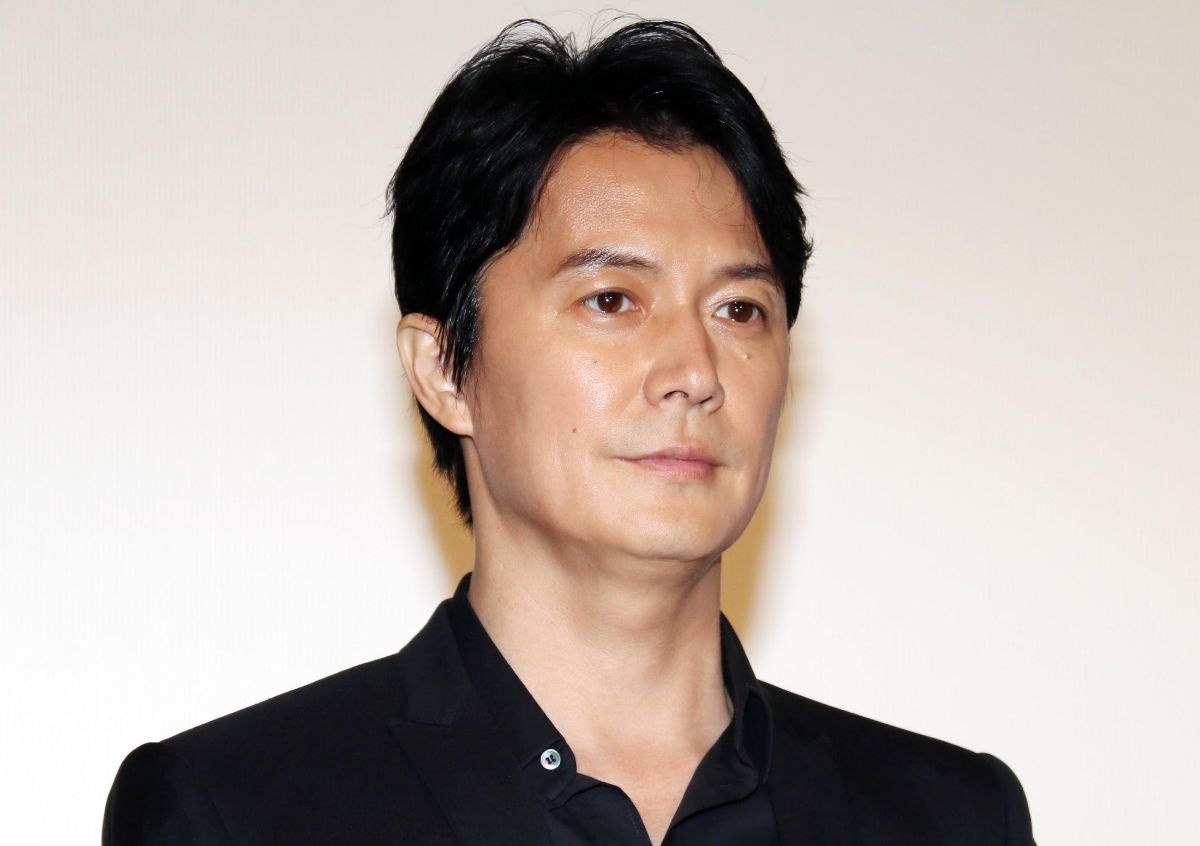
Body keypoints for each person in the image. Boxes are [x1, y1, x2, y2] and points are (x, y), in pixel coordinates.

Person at [103, 19, 1035, 846]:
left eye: (740, 310)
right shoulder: (236, 810)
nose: (696, 371)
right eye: (612, 300)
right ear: (444, 370)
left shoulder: (954, 818)